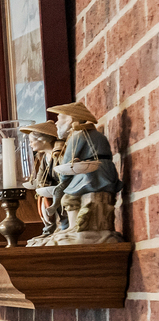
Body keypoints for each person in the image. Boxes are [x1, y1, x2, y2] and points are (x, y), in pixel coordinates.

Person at [48, 101, 122, 244]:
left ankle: (74, 226)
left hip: (93, 174)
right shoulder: (97, 134)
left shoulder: (78, 135)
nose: (57, 124)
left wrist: (63, 181)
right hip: (107, 172)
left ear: (70, 119)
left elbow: (67, 164)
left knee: (68, 197)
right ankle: (73, 226)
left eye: (60, 119)